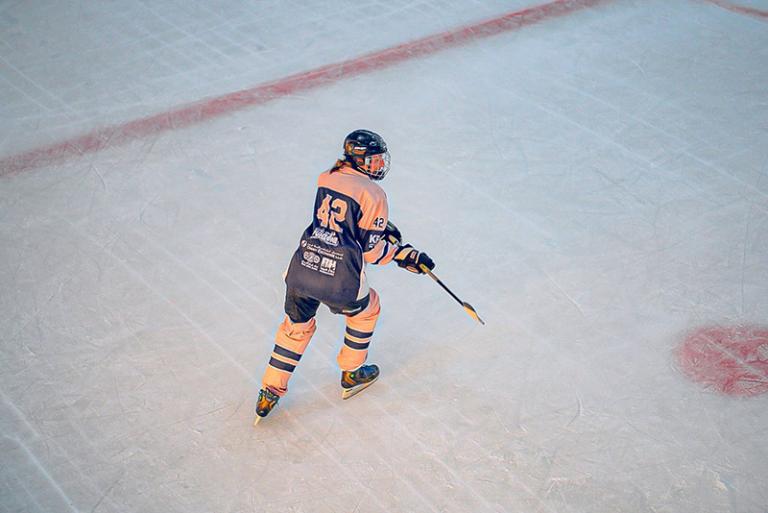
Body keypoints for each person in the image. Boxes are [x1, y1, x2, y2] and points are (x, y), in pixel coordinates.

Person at [254, 129, 435, 423]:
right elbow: (370, 251)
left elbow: (341, 221)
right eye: (374, 159)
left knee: (295, 327)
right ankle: (352, 372)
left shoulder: (327, 177)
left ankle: (269, 390)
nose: (379, 165)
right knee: (367, 309)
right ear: (360, 159)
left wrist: (370, 228)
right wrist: (403, 254)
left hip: (301, 267)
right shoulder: (374, 194)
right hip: (338, 277)